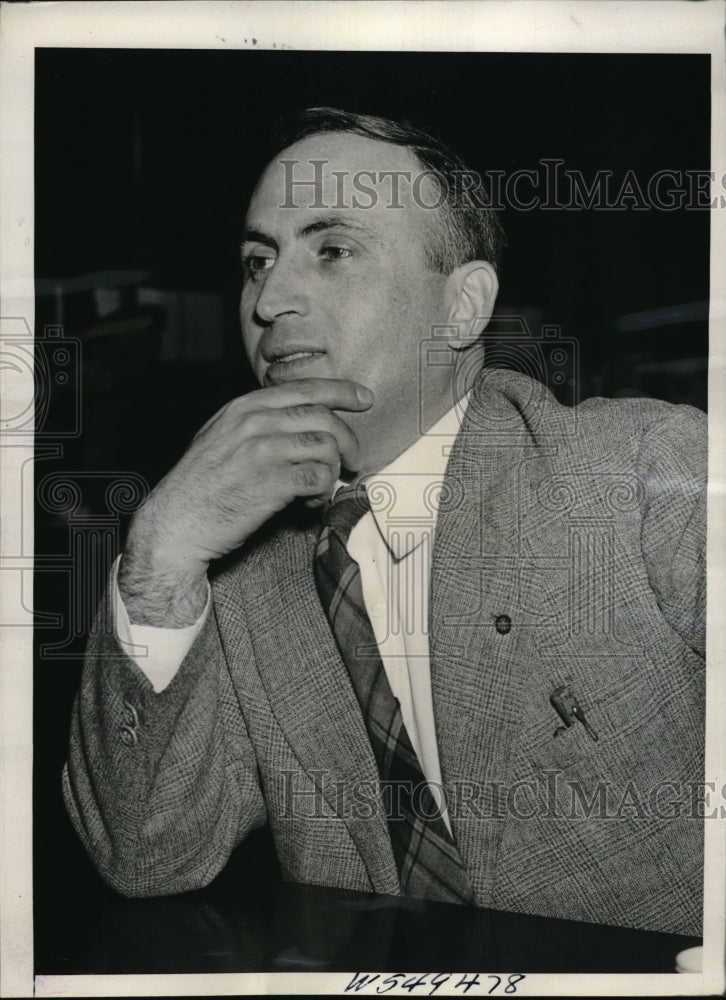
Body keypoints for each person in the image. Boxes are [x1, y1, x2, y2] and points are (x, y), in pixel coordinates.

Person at [63, 108, 706, 936]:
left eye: (331, 250)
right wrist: (159, 559)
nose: (269, 300)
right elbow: (145, 858)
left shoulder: (647, 473)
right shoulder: (237, 574)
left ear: (463, 307)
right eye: (258, 261)